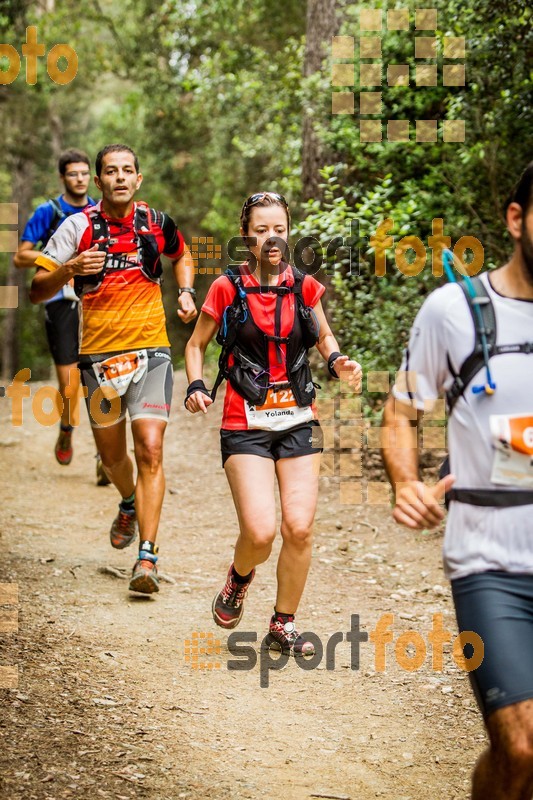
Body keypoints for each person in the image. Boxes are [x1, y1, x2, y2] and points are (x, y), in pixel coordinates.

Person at [381, 162, 533, 799]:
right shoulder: (455, 310)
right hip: (489, 561)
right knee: (522, 747)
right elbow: (400, 412)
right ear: (516, 218)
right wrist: (405, 481)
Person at [185, 191, 362, 654]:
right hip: (244, 421)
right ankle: (239, 578)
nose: (271, 238)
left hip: (299, 419)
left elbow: (323, 335)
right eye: (261, 230)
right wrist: (197, 385)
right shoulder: (227, 287)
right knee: (260, 533)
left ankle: (283, 623)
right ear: (246, 235)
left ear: (289, 230)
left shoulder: (304, 284)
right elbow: (194, 345)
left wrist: (338, 360)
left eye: (279, 229)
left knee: (299, 528)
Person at [30, 144, 197, 595]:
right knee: (113, 457)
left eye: (127, 171)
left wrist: (184, 292)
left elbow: (182, 255)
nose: (119, 177)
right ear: (99, 182)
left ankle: (147, 556)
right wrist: (69, 269)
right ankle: (127, 501)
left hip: (152, 352)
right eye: (111, 172)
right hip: (98, 359)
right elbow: (34, 291)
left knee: (150, 450)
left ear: (138, 180)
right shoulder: (77, 226)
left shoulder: (157, 223)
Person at [14, 149, 108, 480]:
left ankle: (104, 456)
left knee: (102, 378)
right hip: (60, 300)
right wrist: (56, 258)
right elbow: (20, 257)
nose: (80, 179)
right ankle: (67, 426)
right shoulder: (49, 211)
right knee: (69, 384)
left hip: (99, 300)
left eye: (85, 173)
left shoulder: (102, 210)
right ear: (62, 177)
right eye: (73, 174)